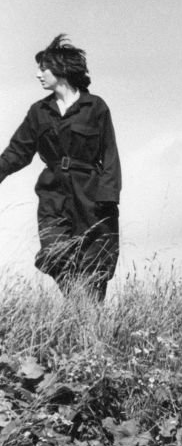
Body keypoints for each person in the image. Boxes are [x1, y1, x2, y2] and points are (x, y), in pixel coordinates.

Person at [0, 35, 121, 301]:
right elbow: (18, 151)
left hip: (91, 196)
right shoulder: (39, 112)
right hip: (53, 194)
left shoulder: (95, 107)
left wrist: (108, 196)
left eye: (43, 68)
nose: (38, 75)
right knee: (55, 253)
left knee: (95, 263)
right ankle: (76, 302)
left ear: (61, 69)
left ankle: (88, 317)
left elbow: (110, 155)